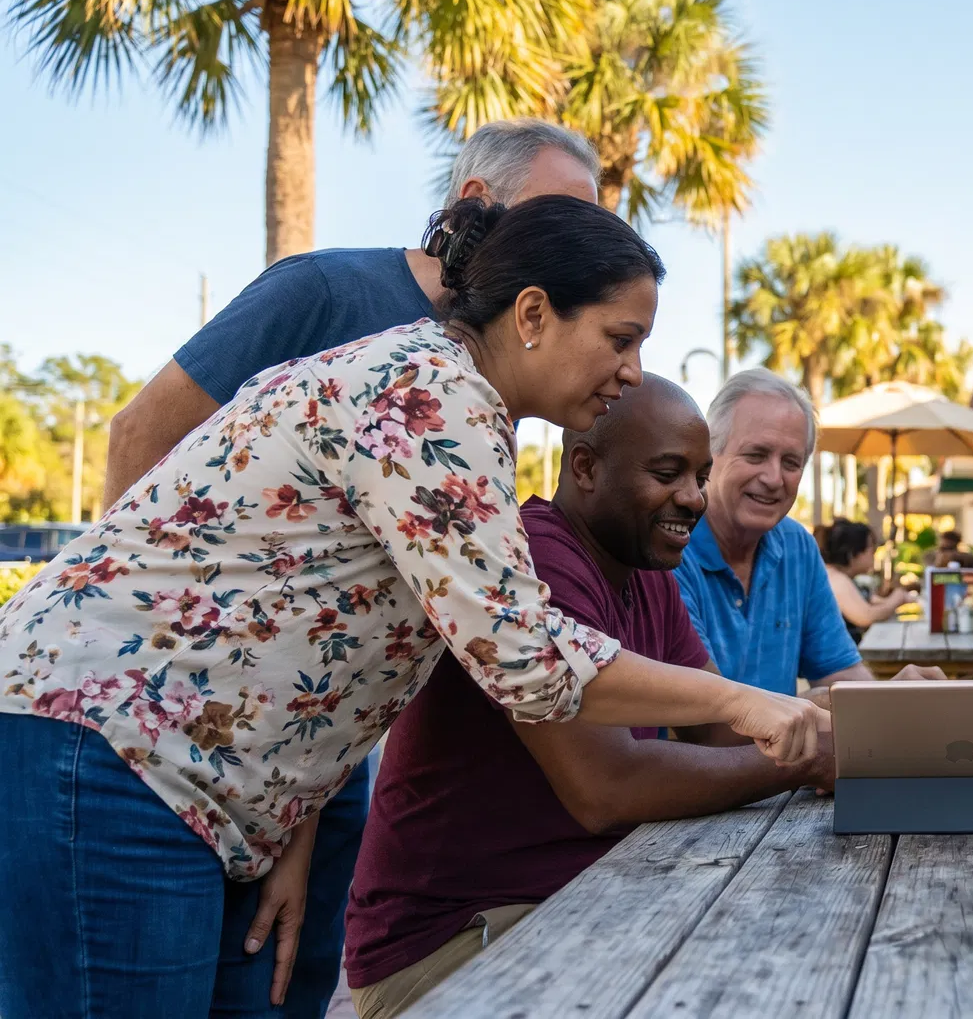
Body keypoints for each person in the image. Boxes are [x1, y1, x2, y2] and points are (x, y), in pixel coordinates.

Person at [0, 196, 825, 1019]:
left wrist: (291, 813)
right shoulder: (430, 394)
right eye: (621, 337)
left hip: (197, 784)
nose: (635, 371)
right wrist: (741, 701)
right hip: (109, 747)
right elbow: (526, 657)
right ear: (533, 313)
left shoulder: (448, 399)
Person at [90, 118, 602, 1019]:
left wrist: (298, 801)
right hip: (161, 751)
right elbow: (141, 439)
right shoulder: (326, 291)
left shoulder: (502, 375)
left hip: (309, 781)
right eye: (556, 222)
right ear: (476, 206)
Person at [344, 375, 833, 1018]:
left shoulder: (645, 564)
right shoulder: (536, 561)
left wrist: (876, 719)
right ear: (586, 467)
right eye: (667, 474)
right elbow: (606, 788)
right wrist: (808, 758)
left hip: (579, 893)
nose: (691, 498)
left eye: (700, 475)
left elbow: (721, 727)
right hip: (456, 935)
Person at [675, 370, 942, 700]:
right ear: (709, 456)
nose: (774, 478)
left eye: (791, 462)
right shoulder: (672, 545)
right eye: (756, 454)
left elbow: (838, 671)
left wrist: (889, 696)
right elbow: (706, 719)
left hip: (783, 753)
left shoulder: (796, 546)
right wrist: (845, 701)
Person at [822, 519, 910, 643]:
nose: (874, 555)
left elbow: (872, 603)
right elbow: (866, 616)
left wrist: (898, 599)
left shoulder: (841, 577)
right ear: (853, 553)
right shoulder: (835, 578)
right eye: (871, 549)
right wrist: (897, 598)